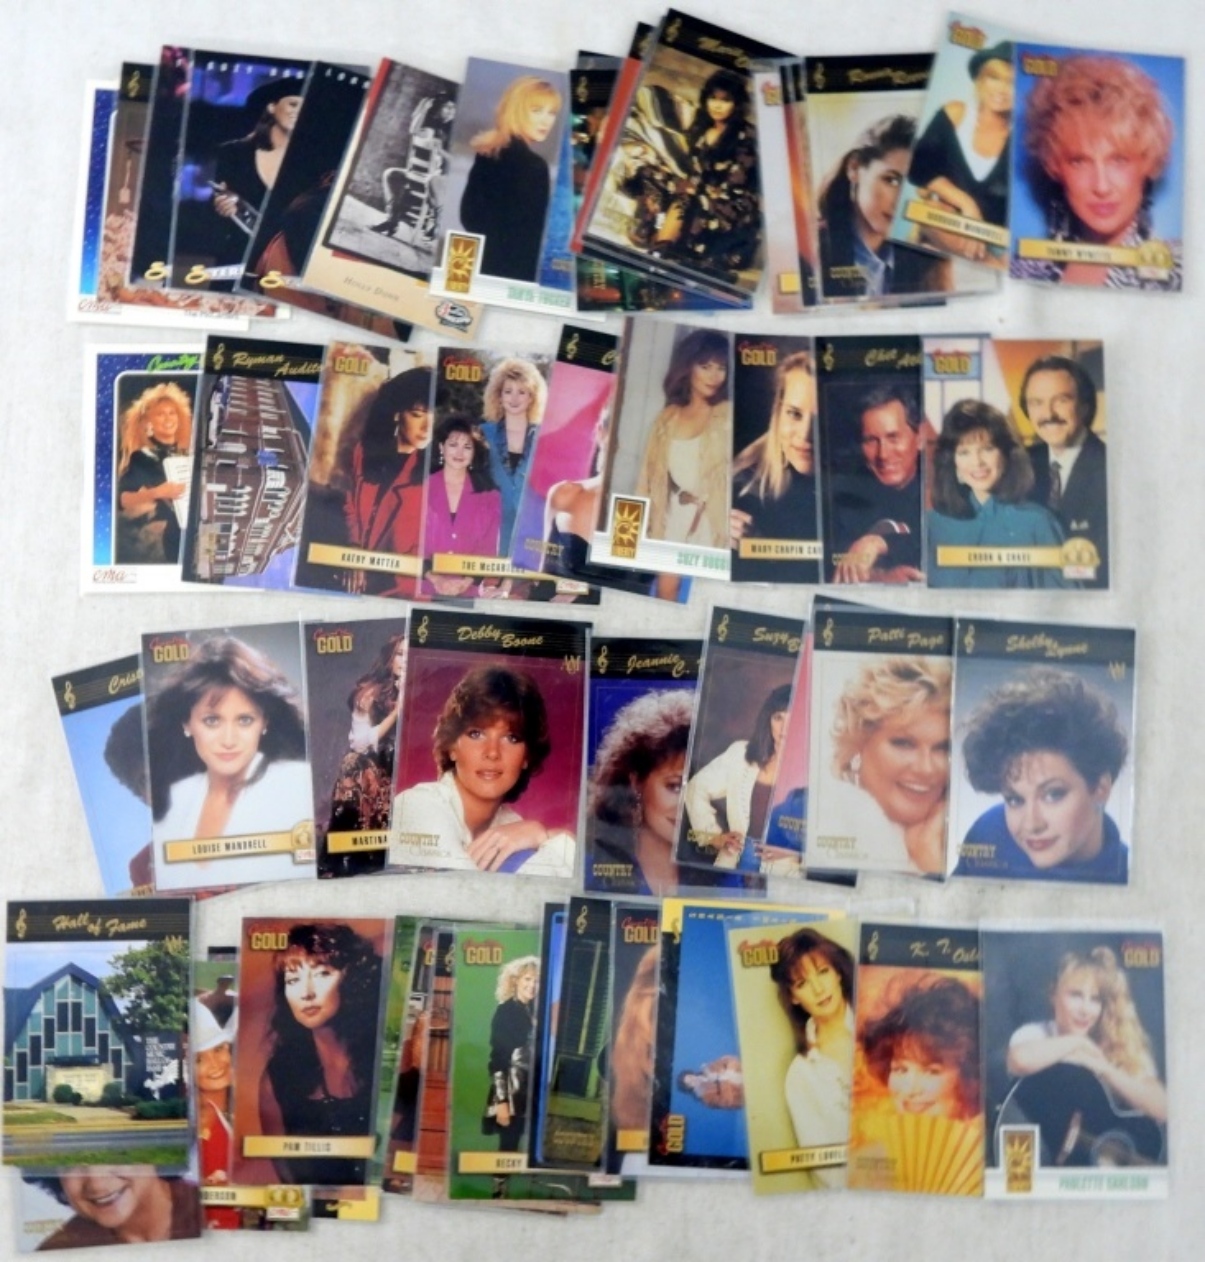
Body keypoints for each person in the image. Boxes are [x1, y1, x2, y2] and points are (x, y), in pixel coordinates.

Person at [145, 636, 310, 890]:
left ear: (264, 722)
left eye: (245, 720)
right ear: (187, 723)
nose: (229, 740)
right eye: (212, 721)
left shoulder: (297, 785)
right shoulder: (175, 799)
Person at [390, 665, 574, 877]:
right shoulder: (418, 806)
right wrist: (549, 837)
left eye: (511, 738)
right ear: (452, 747)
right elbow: (462, 892)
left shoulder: (513, 827)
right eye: (476, 734)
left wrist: (543, 833)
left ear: (526, 757)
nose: (492, 752)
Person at [1013, 54, 1179, 290]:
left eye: (1119, 160)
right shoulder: (1025, 267)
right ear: (1054, 167)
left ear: (1148, 163)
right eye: (1079, 161)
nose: (1101, 186)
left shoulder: (1180, 270)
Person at [956, 666, 1130, 882]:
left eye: (1053, 795)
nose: (1031, 824)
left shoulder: (1129, 877)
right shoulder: (988, 833)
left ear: (1100, 789)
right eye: (1015, 799)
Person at [258, 923, 384, 1184]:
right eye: (293, 980)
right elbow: (288, 1180)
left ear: (351, 979)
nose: (306, 993)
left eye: (322, 974)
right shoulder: (277, 1079)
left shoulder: (386, 1060)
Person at [1006, 947, 1167, 1124]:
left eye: (1095, 999)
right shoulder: (1036, 1034)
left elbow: (1162, 1109)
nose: (1085, 1010)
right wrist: (1078, 1042)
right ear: (1053, 995)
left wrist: (1103, 1068)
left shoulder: (1115, 1043)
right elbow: (1019, 1061)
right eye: (1076, 995)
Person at [822, 657, 952, 875]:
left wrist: (930, 859)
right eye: (904, 743)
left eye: (942, 748)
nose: (926, 768)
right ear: (858, 742)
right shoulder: (811, 818)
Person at [927, 398, 1070, 588]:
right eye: (964, 452)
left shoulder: (1038, 523)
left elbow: (1064, 600)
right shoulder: (934, 524)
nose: (977, 462)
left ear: (1006, 454)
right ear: (953, 462)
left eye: (987, 449)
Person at [816, 115, 952, 300]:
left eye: (919, 190)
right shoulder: (812, 250)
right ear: (854, 168)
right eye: (892, 180)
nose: (903, 203)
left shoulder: (928, 262)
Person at [908, 42, 1014, 259]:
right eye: (994, 78)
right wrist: (967, 205)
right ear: (980, 80)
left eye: (1012, 83)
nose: (1001, 90)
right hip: (942, 226)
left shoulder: (1022, 140)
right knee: (929, 213)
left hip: (990, 246)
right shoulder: (955, 114)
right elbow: (917, 168)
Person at [335, 365, 433, 597]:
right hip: (347, 576)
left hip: (396, 588)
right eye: (417, 415)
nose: (427, 427)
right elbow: (349, 504)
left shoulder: (434, 475)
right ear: (397, 414)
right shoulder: (363, 451)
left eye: (433, 416)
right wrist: (354, 549)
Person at [769, 928, 855, 1188]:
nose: (818, 989)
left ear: (838, 972)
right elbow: (824, 1166)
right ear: (793, 997)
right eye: (802, 983)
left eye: (823, 971)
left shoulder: (880, 1020)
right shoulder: (801, 1075)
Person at [587, 689, 693, 896]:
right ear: (636, 783)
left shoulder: (729, 878)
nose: (690, 805)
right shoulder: (591, 873)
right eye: (675, 786)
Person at [729, 349, 821, 582]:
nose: (805, 435)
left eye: (819, 419)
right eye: (794, 414)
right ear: (777, 412)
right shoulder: (743, 491)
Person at [660, 68, 760, 282]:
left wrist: (696, 190)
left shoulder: (746, 135)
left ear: (737, 104)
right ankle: (664, 251)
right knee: (667, 186)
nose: (717, 105)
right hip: (699, 193)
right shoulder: (700, 127)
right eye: (713, 98)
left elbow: (738, 183)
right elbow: (691, 168)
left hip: (732, 203)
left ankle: (668, 254)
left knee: (687, 201)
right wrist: (683, 183)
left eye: (725, 100)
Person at [460, 75, 562, 282]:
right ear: (516, 110)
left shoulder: (488, 152)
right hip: (510, 274)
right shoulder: (533, 166)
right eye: (536, 110)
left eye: (551, 113)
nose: (546, 121)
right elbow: (529, 240)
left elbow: (468, 216)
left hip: (478, 267)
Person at [1019, 354, 1109, 587]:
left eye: (1061, 400)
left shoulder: (1112, 468)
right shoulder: (1019, 464)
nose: (1048, 414)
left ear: (1085, 406)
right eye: (1036, 403)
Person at [637, 327, 731, 549]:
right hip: (671, 524)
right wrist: (629, 543)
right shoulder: (667, 418)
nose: (714, 376)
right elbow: (645, 483)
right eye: (705, 367)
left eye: (721, 368)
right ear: (688, 367)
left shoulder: (729, 414)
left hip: (716, 528)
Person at [683, 683, 794, 872]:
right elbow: (695, 787)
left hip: (786, 871)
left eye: (792, 719)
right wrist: (711, 835)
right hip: (736, 860)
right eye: (778, 718)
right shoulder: (740, 754)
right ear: (768, 720)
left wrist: (796, 853)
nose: (784, 728)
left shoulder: (816, 770)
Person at [325, 632, 407, 877]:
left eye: (410, 656)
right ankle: (346, 856)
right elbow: (360, 743)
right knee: (353, 763)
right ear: (390, 658)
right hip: (377, 766)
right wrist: (397, 711)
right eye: (400, 654)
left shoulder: (428, 687)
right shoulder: (370, 693)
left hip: (411, 766)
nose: (405, 661)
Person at [827, 382, 925, 583]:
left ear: (920, 438)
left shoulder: (944, 490)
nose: (883, 454)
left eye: (893, 437)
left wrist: (878, 542)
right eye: (871, 440)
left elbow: (942, 544)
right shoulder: (847, 498)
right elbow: (833, 566)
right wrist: (880, 578)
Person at [212, 78, 305, 269]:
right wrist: (221, 206)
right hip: (238, 257)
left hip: (288, 263)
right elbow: (214, 207)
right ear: (272, 107)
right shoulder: (234, 152)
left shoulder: (312, 161)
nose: (298, 111)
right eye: (293, 104)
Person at [860, 975, 981, 1119]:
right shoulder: (870, 1128)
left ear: (969, 1078)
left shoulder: (987, 1128)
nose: (910, 1090)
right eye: (900, 1070)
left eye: (931, 1072)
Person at [423, 413, 502, 598]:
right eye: (453, 445)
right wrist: (436, 580)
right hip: (423, 589)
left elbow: (488, 549)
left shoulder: (490, 496)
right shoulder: (420, 488)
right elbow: (410, 544)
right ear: (441, 447)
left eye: (467, 447)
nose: (459, 453)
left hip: (469, 592)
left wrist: (466, 582)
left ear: (474, 453)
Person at [26, 1168, 201, 1249]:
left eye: (112, 1152)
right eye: (70, 1163)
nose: (97, 1184)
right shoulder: (60, 1251)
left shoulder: (209, 1214)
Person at [115, 381, 193, 565]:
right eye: (160, 414)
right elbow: (121, 499)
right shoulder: (143, 457)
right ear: (148, 422)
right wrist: (157, 492)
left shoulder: (191, 452)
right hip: (175, 536)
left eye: (172, 413)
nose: (168, 418)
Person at [477, 357, 546, 556]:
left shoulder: (544, 437)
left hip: (533, 531)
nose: (514, 398)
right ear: (498, 396)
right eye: (508, 391)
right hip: (492, 531)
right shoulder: (483, 433)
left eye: (522, 392)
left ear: (532, 397)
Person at [372, 95, 456, 242]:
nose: (451, 111)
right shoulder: (431, 128)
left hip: (441, 178)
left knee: (433, 180)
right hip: (418, 175)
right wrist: (423, 110)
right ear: (438, 108)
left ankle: (438, 224)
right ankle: (392, 220)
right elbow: (413, 130)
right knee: (391, 174)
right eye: (447, 107)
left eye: (453, 108)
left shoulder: (454, 131)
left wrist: (440, 151)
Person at [483, 956, 540, 1153]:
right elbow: (498, 1059)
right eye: (528, 979)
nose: (532, 985)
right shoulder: (505, 1011)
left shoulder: (536, 1011)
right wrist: (502, 1102)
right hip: (512, 1092)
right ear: (515, 980)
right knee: (508, 1150)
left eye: (537, 980)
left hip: (534, 1092)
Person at [677, 1055, 744, 1108]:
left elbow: (729, 1059)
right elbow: (731, 1101)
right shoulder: (707, 1098)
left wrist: (730, 1072)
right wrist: (721, 1079)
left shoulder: (709, 1068)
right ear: (690, 1088)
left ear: (692, 1074)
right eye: (690, 1083)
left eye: (690, 1077)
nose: (693, 1080)